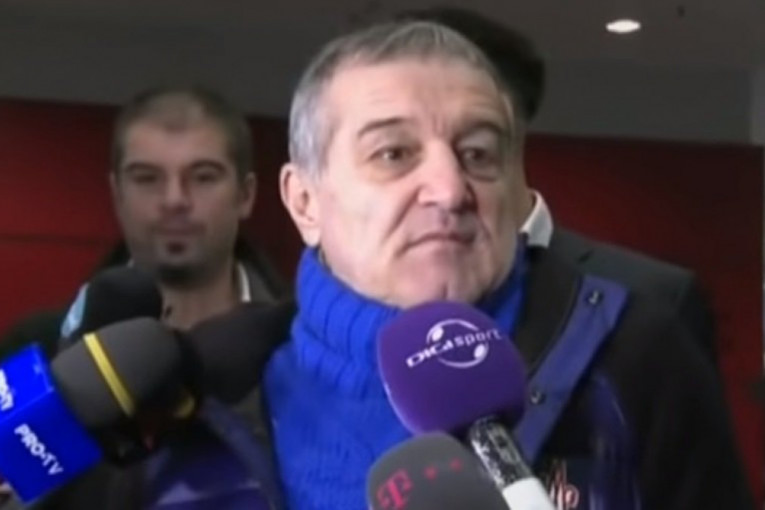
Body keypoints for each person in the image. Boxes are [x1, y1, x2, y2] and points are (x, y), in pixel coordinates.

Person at [264, 19, 753, 509]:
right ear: (304, 201)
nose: (450, 190)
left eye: (477, 154)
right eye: (393, 154)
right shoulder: (231, 397)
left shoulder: (636, 356)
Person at [0, 86, 287, 509]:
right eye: (147, 178)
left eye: (203, 176)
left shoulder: (302, 353)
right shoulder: (37, 347)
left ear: (245, 195)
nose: (174, 200)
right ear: (117, 192)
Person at [400, 6, 717, 366]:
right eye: (395, 151)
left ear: (507, 117)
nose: (441, 184)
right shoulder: (360, 286)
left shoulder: (650, 296)